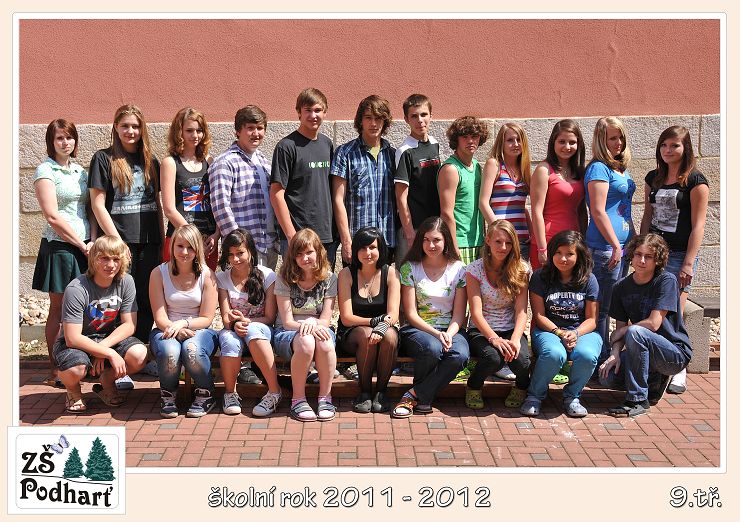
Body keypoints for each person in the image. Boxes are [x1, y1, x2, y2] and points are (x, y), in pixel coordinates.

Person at [640, 126, 708, 395]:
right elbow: (647, 216)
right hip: (654, 254)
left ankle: (679, 366)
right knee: (651, 309)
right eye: (664, 145)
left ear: (685, 148)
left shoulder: (695, 181)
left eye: (674, 145)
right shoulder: (653, 178)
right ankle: (654, 365)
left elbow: (698, 225)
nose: (668, 150)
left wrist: (689, 262)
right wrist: (642, 250)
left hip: (679, 255)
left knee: (674, 313)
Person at [89, 104, 163, 343]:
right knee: (117, 297)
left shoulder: (151, 161)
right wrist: (118, 243)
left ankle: (139, 346)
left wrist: (161, 240)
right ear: (116, 127)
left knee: (145, 296)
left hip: (149, 241)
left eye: (135, 126)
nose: (131, 131)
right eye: (125, 126)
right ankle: (112, 346)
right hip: (119, 243)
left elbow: (157, 204)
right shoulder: (103, 158)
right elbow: (98, 205)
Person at [32, 119, 97, 387]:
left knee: (84, 307)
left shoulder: (81, 172)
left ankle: (81, 363)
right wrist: (81, 244)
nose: (65, 142)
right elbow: (52, 216)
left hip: (85, 246)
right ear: (51, 141)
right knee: (59, 309)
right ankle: (56, 369)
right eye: (59, 138)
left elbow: (90, 209)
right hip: (60, 248)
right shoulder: (45, 170)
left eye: (69, 137)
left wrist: (93, 241)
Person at [599, 234, 692, 417]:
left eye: (648, 257)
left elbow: (654, 323)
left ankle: (637, 400)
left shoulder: (666, 281)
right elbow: (619, 330)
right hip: (642, 349)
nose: (641, 261)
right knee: (607, 378)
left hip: (673, 353)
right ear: (631, 255)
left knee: (636, 331)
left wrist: (624, 330)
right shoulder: (620, 287)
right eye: (638, 254)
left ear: (658, 260)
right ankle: (654, 380)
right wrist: (614, 354)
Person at [54, 235, 147, 412]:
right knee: (75, 369)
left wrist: (103, 348)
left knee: (139, 355)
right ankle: (73, 390)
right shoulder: (76, 288)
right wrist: (109, 353)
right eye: (104, 258)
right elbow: (72, 338)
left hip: (106, 337)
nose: (110, 265)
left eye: (116, 259)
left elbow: (129, 325)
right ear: (93, 259)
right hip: (75, 343)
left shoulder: (126, 281)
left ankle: (107, 382)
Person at [392, 217, 469, 418]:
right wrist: (436, 333)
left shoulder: (459, 269)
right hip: (418, 328)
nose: (431, 245)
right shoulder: (410, 267)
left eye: (436, 240)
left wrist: (449, 334)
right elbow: (410, 313)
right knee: (432, 348)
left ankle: (415, 394)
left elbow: (459, 314)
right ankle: (424, 399)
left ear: (446, 241)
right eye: (426, 240)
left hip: (451, 328)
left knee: (460, 355)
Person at [520, 230, 601, 418]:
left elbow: (592, 320)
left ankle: (572, 396)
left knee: (587, 355)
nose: (563, 258)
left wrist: (576, 333)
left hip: (582, 331)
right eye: (558, 253)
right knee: (554, 354)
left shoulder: (589, 280)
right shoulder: (540, 277)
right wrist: (559, 333)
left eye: (569, 254)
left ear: (579, 255)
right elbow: (539, 315)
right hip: (549, 331)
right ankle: (535, 395)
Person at [149, 224, 218, 418]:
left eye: (190, 247)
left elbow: (207, 318)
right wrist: (176, 329)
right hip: (166, 328)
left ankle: (205, 393)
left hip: (198, 329)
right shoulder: (158, 273)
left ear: (198, 249)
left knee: (191, 350)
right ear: (172, 247)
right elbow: (160, 318)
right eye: (180, 246)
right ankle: (168, 395)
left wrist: (184, 324)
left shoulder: (207, 275)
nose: (185, 252)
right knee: (170, 352)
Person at [464, 220, 531, 410]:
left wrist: (516, 339)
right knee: (493, 358)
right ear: (488, 240)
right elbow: (475, 313)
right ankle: (473, 386)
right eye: (498, 242)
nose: (503, 247)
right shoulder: (474, 269)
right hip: (482, 330)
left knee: (522, 360)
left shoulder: (521, 269)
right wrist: (494, 338)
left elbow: (521, 311)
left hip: (510, 328)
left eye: (509, 243)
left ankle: (521, 387)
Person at [274, 228, 338, 422]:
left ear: (318, 251)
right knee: (306, 342)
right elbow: (287, 321)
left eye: (309, 252)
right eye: (299, 254)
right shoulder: (284, 278)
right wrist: (307, 325)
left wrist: (313, 323)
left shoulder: (330, 278)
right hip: (288, 332)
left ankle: (325, 397)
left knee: (325, 343)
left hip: (318, 327)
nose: (305, 258)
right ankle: (298, 399)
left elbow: (326, 319)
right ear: (293, 257)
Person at [584, 117, 636, 354]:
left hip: (621, 247)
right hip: (605, 248)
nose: (618, 142)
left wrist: (632, 241)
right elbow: (598, 210)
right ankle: (600, 356)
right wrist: (616, 245)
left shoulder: (619, 168)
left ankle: (610, 354)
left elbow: (625, 210)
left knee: (615, 304)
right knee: (602, 308)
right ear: (600, 140)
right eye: (612, 138)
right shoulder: (599, 168)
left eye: (621, 137)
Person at [216, 229, 281, 417]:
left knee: (253, 330)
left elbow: (269, 317)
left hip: (261, 328)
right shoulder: (222, 278)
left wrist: (247, 321)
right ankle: (230, 393)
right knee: (228, 340)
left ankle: (274, 391)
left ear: (250, 251)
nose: (235, 259)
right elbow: (225, 317)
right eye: (231, 255)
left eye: (240, 253)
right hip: (233, 329)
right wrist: (234, 323)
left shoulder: (268, 276)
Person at [270, 88, 337, 267]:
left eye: (318, 110)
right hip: (298, 237)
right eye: (308, 110)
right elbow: (276, 194)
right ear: (299, 112)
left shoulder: (327, 144)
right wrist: (291, 236)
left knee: (325, 284)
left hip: (325, 236)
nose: (313, 115)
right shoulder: (286, 147)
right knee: (296, 283)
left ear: (325, 112)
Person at [337, 227, 400, 413]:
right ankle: (364, 392)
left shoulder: (391, 273)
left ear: (381, 249)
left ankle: (381, 392)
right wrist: (375, 322)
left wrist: (382, 327)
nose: (368, 253)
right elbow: (347, 318)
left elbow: (393, 314)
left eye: (373, 247)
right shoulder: (346, 274)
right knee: (366, 335)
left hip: (384, 330)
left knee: (390, 336)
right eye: (362, 248)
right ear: (355, 250)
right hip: (353, 334)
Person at [210, 105, 278, 270]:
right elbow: (221, 207)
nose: (256, 133)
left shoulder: (263, 161)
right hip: (243, 250)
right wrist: (238, 246)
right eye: (250, 128)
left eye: (260, 128)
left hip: (268, 245)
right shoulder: (225, 163)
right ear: (238, 131)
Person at [332, 95, 397, 265]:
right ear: (360, 121)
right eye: (368, 118)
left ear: (385, 121)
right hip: (358, 242)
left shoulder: (393, 155)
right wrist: (346, 241)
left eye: (378, 118)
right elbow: (338, 199)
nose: (373, 123)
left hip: (386, 241)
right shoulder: (345, 153)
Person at [161, 107, 219, 270]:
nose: (195, 135)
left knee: (206, 284)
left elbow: (217, 203)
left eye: (199, 130)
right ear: (179, 132)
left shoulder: (210, 161)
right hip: (181, 241)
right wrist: (194, 239)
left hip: (208, 242)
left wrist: (217, 234)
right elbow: (169, 209)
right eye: (189, 130)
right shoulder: (170, 163)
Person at [529, 119, 587, 270]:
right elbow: (536, 211)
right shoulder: (544, 170)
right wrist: (542, 248)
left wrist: (584, 242)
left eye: (572, 142)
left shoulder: (580, 171)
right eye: (562, 141)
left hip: (573, 244)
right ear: (553, 143)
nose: (567, 147)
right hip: (548, 242)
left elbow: (582, 211)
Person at [394, 94, 441, 262]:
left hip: (434, 226)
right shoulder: (404, 151)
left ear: (431, 116)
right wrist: (409, 234)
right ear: (406, 119)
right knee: (408, 273)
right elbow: (401, 197)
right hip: (413, 228)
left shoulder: (435, 144)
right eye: (414, 116)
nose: (420, 120)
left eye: (423, 114)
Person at [438, 116, 489, 264]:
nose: (470, 141)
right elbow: (446, 213)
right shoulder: (451, 169)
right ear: (456, 139)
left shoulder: (476, 166)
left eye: (474, 136)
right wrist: (453, 247)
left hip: (479, 242)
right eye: (465, 137)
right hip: (460, 244)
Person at [479, 122, 532, 260]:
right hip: (501, 241)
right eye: (510, 140)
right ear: (501, 143)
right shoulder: (494, 164)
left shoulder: (524, 168)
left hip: (522, 240)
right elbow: (483, 203)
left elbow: (522, 207)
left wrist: (533, 233)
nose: (515, 144)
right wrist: (499, 232)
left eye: (519, 139)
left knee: (520, 275)